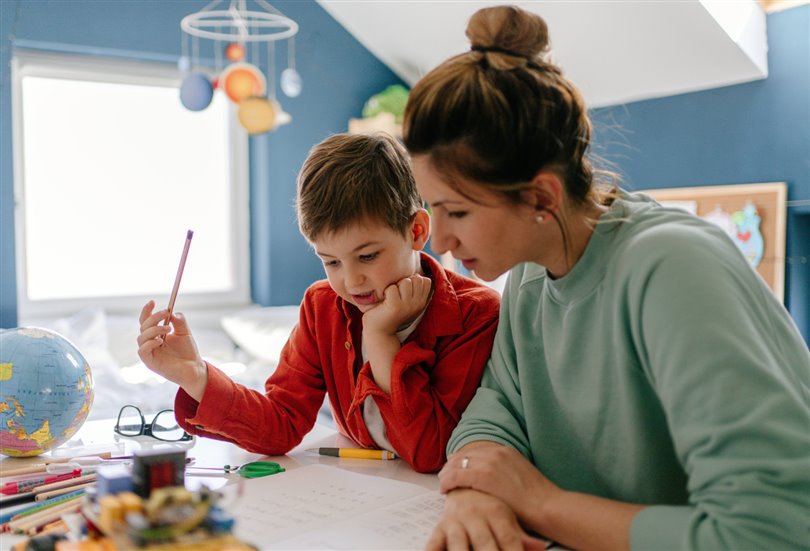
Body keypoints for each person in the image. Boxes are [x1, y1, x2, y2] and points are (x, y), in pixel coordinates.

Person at [402, 5, 810, 549]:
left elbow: (768, 534)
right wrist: (476, 493)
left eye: (457, 212)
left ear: (541, 197)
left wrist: (537, 501)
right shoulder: (529, 275)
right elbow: (493, 411)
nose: (443, 242)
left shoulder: (672, 270)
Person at [136, 132, 500, 474]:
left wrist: (380, 338)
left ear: (417, 230)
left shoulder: (476, 313)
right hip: (356, 495)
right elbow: (282, 423)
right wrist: (195, 375)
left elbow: (430, 452)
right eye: (331, 262)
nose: (351, 281)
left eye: (368, 256)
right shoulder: (322, 305)